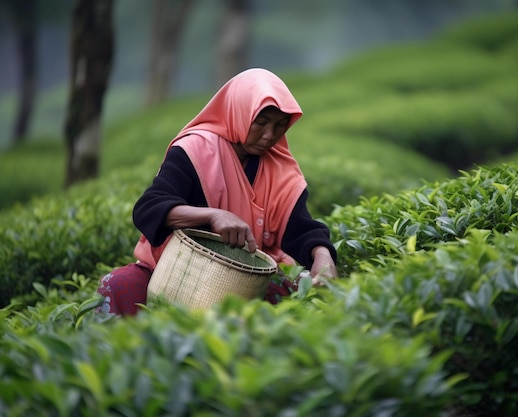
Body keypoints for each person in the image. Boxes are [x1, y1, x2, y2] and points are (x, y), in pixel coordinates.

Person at [97, 68, 338, 316]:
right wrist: (212, 215)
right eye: (261, 123)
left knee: (299, 297)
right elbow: (150, 208)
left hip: (246, 281)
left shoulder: (281, 169)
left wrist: (323, 256)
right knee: (118, 285)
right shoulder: (195, 150)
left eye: (279, 126)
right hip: (175, 271)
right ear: (239, 112)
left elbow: (300, 230)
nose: (269, 136)